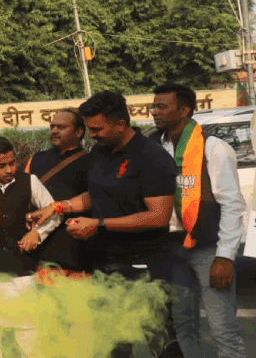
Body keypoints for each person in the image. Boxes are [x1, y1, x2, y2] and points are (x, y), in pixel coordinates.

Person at [28, 90, 177, 358]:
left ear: (121, 124)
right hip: (103, 262)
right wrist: (60, 206)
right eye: (89, 129)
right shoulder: (100, 151)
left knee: (157, 339)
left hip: (143, 265)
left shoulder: (152, 158)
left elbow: (158, 215)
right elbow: (95, 194)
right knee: (111, 342)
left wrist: (97, 224)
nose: (92, 135)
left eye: (97, 129)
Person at [150, 83, 248, 358]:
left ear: (184, 110)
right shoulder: (154, 148)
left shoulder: (213, 147)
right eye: (153, 106)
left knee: (223, 329)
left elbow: (232, 205)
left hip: (207, 249)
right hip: (172, 248)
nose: (154, 112)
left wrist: (225, 257)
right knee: (183, 325)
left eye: (161, 106)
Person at [0, 137, 60, 358]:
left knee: (29, 340)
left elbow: (54, 214)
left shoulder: (30, 182)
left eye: (12, 163)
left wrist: (37, 233)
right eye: (2, 165)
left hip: (22, 273)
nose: (9, 169)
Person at [25, 109, 91, 274]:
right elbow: (22, 192)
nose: (54, 131)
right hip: (35, 245)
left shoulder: (91, 162)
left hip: (73, 250)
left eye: (61, 127)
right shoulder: (37, 158)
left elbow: (96, 198)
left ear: (78, 132)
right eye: (52, 126)